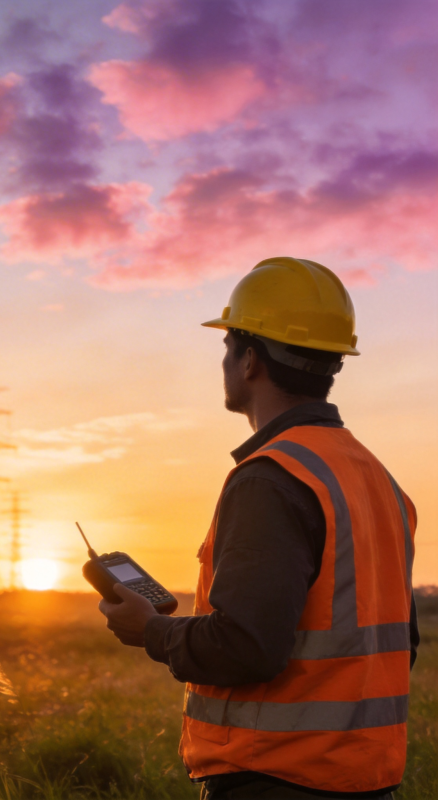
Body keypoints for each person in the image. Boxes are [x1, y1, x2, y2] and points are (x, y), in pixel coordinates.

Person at [99, 257, 418, 799]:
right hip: (366, 781)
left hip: (275, 777)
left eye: (228, 345)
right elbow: (399, 644)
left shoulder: (270, 479)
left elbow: (246, 647)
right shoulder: (378, 480)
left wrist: (149, 630)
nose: (224, 360)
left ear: (249, 360)